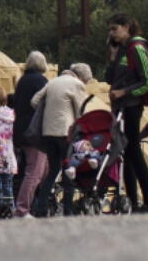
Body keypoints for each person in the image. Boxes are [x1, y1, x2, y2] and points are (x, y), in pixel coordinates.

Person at [104, 12, 148, 213]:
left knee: (134, 151)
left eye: (114, 29)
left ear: (127, 26)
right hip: (119, 108)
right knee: (125, 153)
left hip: (132, 106)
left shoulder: (137, 48)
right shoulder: (120, 51)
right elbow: (109, 78)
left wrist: (125, 92)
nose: (112, 34)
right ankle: (133, 201)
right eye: (110, 30)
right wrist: (111, 57)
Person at [22, 63, 91, 218]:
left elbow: (34, 101)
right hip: (66, 132)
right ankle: (68, 209)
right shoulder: (76, 84)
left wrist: (49, 111)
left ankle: (41, 208)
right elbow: (82, 112)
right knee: (69, 171)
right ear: (82, 77)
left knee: (53, 171)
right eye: (86, 81)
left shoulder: (52, 82)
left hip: (48, 132)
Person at [12, 50, 48, 209]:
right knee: (34, 172)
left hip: (20, 130)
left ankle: (36, 204)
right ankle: (23, 208)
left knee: (38, 170)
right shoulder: (41, 81)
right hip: (34, 132)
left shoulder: (22, 81)